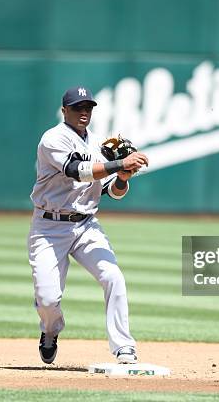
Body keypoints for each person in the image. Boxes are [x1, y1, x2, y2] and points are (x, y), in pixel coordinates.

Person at [28, 86, 149, 364]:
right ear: (64, 111)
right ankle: (49, 331)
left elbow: (111, 191)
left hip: (86, 225)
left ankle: (124, 347)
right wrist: (119, 162)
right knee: (47, 300)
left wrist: (123, 176)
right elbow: (77, 171)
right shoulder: (53, 139)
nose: (84, 112)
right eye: (77, 107)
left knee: (114, 277)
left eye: (88, 107)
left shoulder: (98, 144)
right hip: (49, 228)